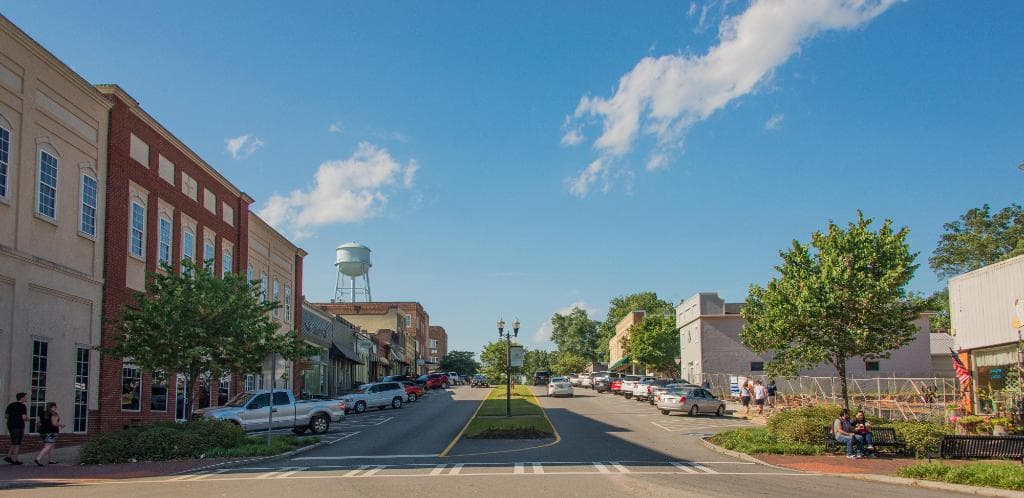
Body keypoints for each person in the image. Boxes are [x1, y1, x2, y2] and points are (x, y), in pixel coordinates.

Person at [34, 402, 64, 466]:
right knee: (48, 446)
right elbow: (54, 423)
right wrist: (61, 425)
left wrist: (42, 426)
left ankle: (51, 460)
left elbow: (37, 422)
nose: (56, 408)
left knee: (51, 445)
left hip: (43, 431)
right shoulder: (54, 414)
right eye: (55, 407)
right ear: (52, 407)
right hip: (52, 432)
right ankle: (38, 459)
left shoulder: (42, 413)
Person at [4, 393, 28, 465]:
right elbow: (23, 417)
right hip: (19, 425)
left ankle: (8, 456)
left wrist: (12, 418)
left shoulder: (11, 405)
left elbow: (6, 416)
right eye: (25, 397)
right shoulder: (23, 406)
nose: (26, 398)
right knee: (17, 443)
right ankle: (14, 459)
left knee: (14, 441)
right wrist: (28, 419)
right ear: (22, 398)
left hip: (11, 425)